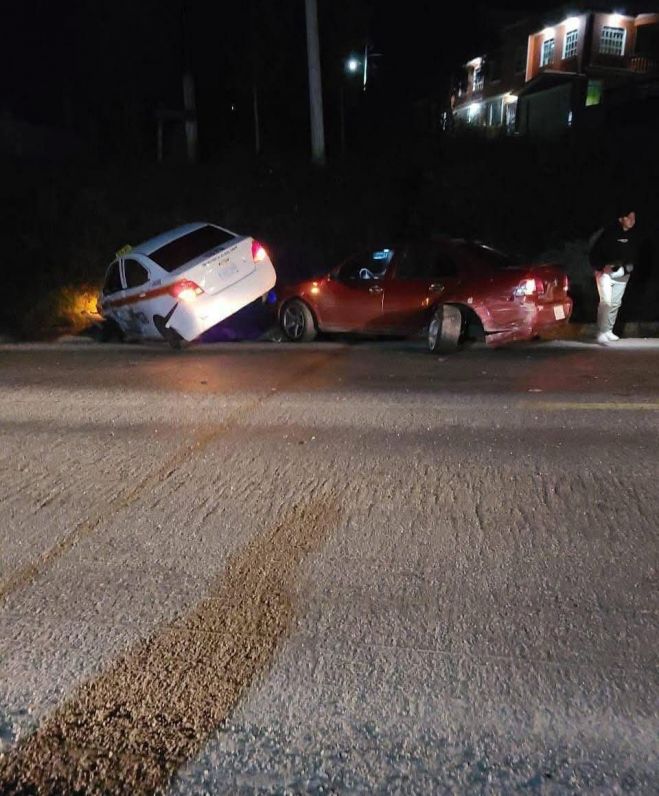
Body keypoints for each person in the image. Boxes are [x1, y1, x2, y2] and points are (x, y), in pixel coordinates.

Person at [589, 204, 639, 345]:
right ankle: (601, 332)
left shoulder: (634, 236)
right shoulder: (608, 233)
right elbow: (595, 253)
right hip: (605, 273)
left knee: (616, 303)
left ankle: (608, 330)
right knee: (606, 302)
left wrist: (628, 267)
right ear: (621, 219)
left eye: (633, 218)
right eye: (629, 217)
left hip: (622, 274)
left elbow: (635, 256)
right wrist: (601, 267)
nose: (632, 220)